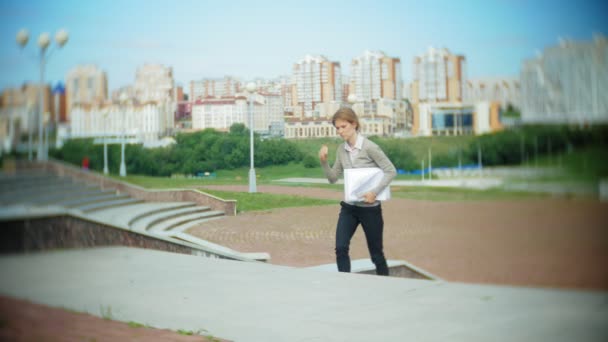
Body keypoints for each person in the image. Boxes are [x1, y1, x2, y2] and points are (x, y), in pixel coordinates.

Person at [318, 107, 396, 276]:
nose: (340, 131)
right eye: (337, 128)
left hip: (370, 210)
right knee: (340, 248)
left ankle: (387, 286)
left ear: (354, 124)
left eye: (343, 126)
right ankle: (345, 285)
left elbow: (390, 170)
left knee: (376, 255)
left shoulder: (370, 147)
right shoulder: (341, 150)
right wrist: (324, 162)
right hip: (349, 209)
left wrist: (374, 192)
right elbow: (332, 178)